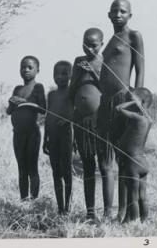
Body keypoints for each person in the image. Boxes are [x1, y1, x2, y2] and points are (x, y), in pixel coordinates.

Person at [97, 0, 145, 220]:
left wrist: (137, 98)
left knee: (124, 160)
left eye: (123, 11)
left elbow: (139, 69)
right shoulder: (109, 41)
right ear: (108, 15)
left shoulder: (134, 36)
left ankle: (125, 213)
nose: (118, 14)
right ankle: (108, 212)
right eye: (114, 11)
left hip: (123, 100)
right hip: (104, 102)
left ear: (130, 15)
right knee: (105, 159)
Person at [68, 28, 104, 220]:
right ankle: (90, 212)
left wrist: (95, 73)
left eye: (94, 45)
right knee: (87, 166)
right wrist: (80, 72)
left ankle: (107, 212)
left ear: (102, 45)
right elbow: (71, 91)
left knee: (105, 165)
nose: (89, 48)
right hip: (81, 120)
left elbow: (108, 89)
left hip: (100, 121)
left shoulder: (103, 62)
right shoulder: (78, 62)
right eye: (85, 43)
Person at [6, 56, 46, 201]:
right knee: (21, 168)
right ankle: (23, 200)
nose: (26, 70)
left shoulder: (38, 87)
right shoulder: (17, 88)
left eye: (30, 67)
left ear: (38, 70)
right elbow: (9, 111)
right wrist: (11, 103)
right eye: (23, 67)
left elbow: (43, 109)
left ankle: (33, 200)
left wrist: (25, 101)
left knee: (32, 168)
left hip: (32, 133)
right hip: (18, 134)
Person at [114, 87, 153, 223]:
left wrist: (133, 103)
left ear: (140, 103)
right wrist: (137, 101)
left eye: (132, 99)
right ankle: (145, 221)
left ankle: (134, 223)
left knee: (133, 197)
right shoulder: (148, 121)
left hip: (133, 163)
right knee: (142, 196)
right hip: (143, 162)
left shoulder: (137, 118)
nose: (129, 101)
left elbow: (118, 109)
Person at [43, 61, 74, 215]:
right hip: (53, 137)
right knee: (56, 173)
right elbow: (48, 116)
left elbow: (76, 114)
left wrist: (68, 121)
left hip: (66, 135)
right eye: (57, 74)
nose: (60, 77)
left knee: (67, 172)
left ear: (71, 75)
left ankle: (68, 207)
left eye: (64, 73)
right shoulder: (52, 95)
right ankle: (60, 207)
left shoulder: (72, 93)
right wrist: (45, 139)